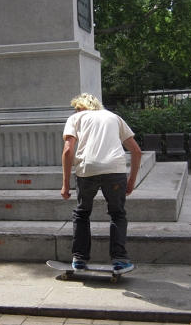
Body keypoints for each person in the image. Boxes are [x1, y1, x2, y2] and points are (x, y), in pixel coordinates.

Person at [61, 93, 142, 274]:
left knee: (82, 213)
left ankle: (80, 259)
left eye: (76, 108)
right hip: (115, 170)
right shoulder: (114, 117)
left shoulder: (75, 118)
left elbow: (68, 151)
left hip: (87, 170)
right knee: (117, 214)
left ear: (81, 107)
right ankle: (120, 259)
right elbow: (136, 151)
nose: (75, 111)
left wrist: (65, 184)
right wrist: (132, 180)